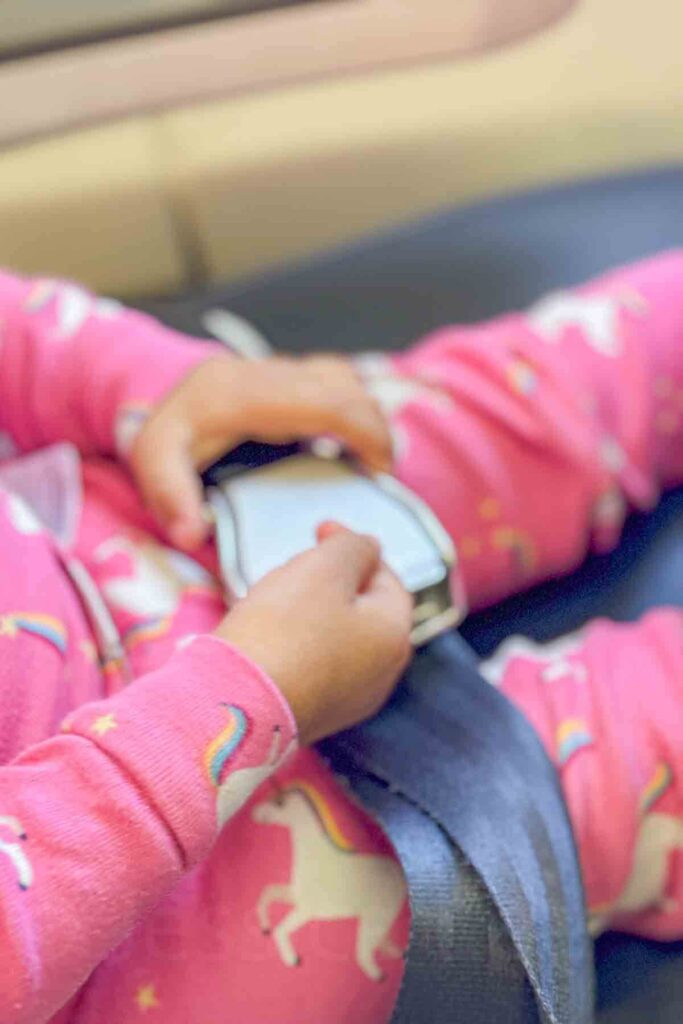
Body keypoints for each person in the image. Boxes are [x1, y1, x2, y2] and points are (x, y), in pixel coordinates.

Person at [0, 251, 680, 1024]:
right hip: (160, 927)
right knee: (625, 754)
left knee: (527, 403)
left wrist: (149, 383)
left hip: (141, 513)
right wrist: (246, 693)